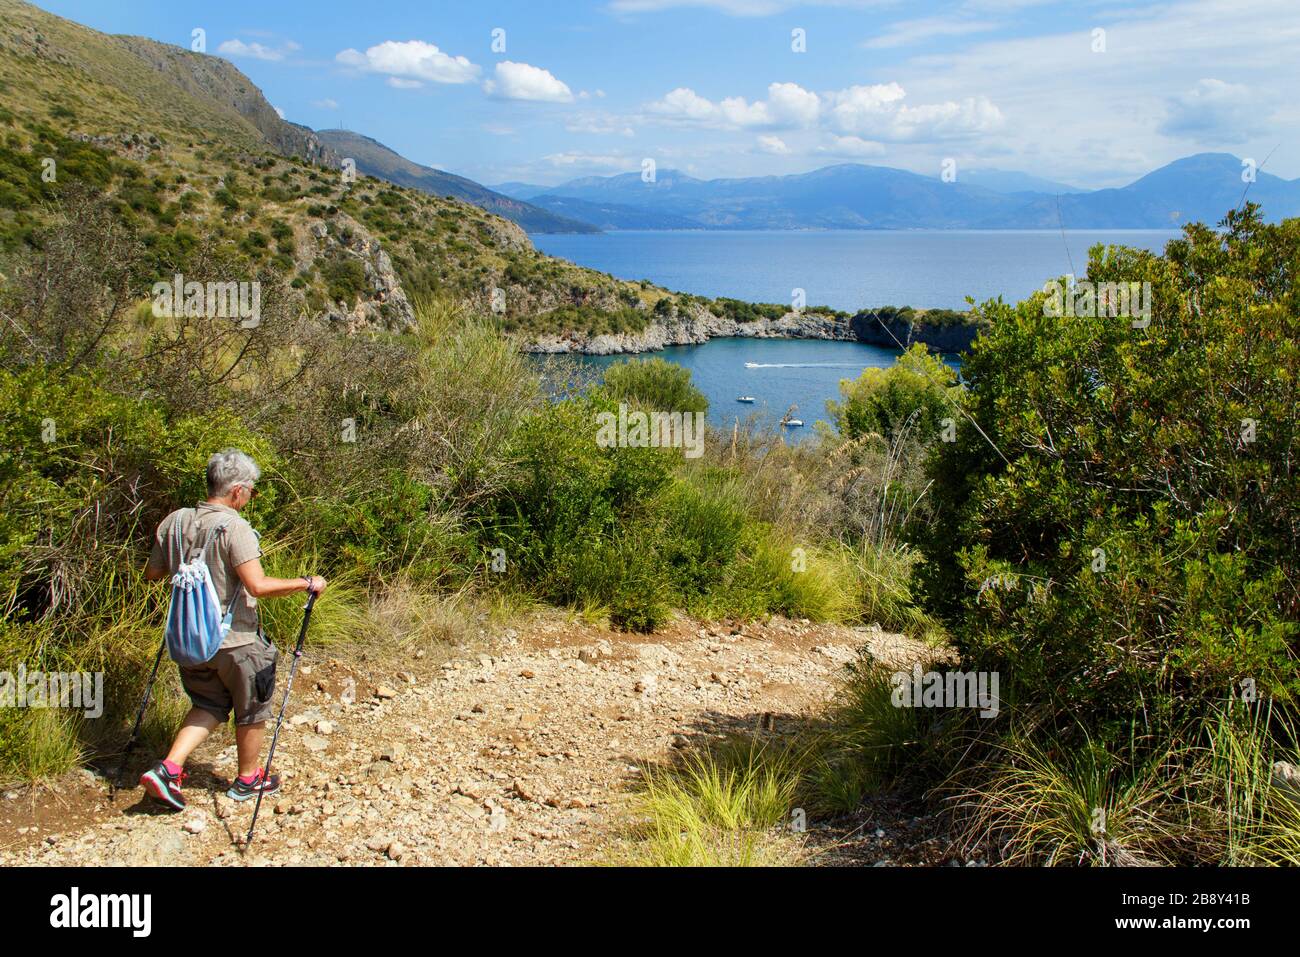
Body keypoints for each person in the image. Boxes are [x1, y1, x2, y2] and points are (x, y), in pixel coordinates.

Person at [140, 449, 326, 811]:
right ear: (237, 491)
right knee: (252, 707)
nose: (250, 498)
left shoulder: (175, 521)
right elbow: (256, 586)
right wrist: (306, 582)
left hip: (190, 641)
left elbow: (153, 573)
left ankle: (169, 768)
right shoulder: (234, 527)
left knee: (208, 703)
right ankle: (248, 778)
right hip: (236, 640)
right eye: (251, 492)